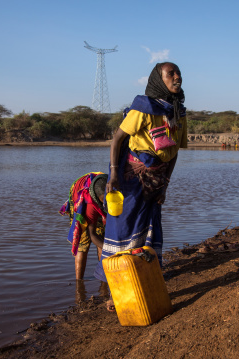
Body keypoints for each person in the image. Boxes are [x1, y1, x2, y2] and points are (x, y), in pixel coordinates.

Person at [94, 62, 187, 286]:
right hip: (131, 177)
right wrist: (114, 172)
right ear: (158, 79)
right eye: (170, 74)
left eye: (178, 73)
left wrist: (165, 184)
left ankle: (144, 274)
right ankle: (118, 282)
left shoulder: (178, 112)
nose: (177, 77)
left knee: (149, 226)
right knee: (124, 226)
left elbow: (172, 152)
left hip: (156, 178)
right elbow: (117, 139)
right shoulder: (143, 108)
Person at [59, 172, 107, 280]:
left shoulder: (115, 189)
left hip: (97, 188)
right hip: (80, 199)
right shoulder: (90, 206)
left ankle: (103, 279)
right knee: (83, 242)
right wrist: (109, 249)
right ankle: (79, 282)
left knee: (104, 236)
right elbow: (92, 234)